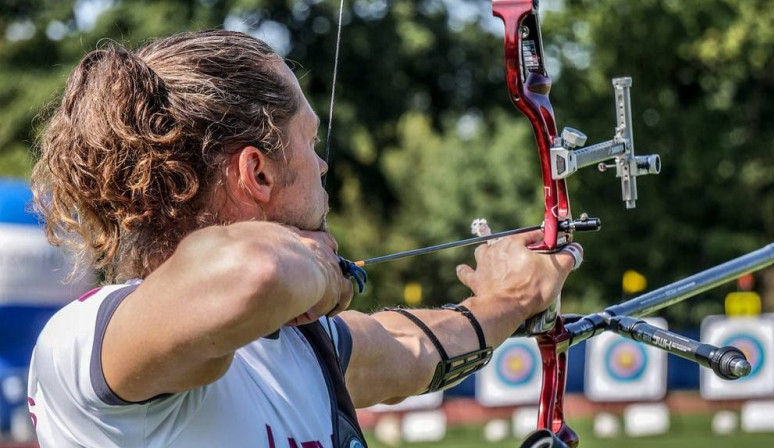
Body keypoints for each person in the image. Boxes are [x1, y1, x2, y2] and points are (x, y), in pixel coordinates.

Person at [27, 30, 581, 447]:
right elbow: (256, 271)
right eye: (309, 141)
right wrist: (319, 268)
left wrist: (510, 298)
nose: (322, 165)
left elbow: (411, 350)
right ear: (257, 173)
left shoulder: (300, 344)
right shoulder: (87, 348)